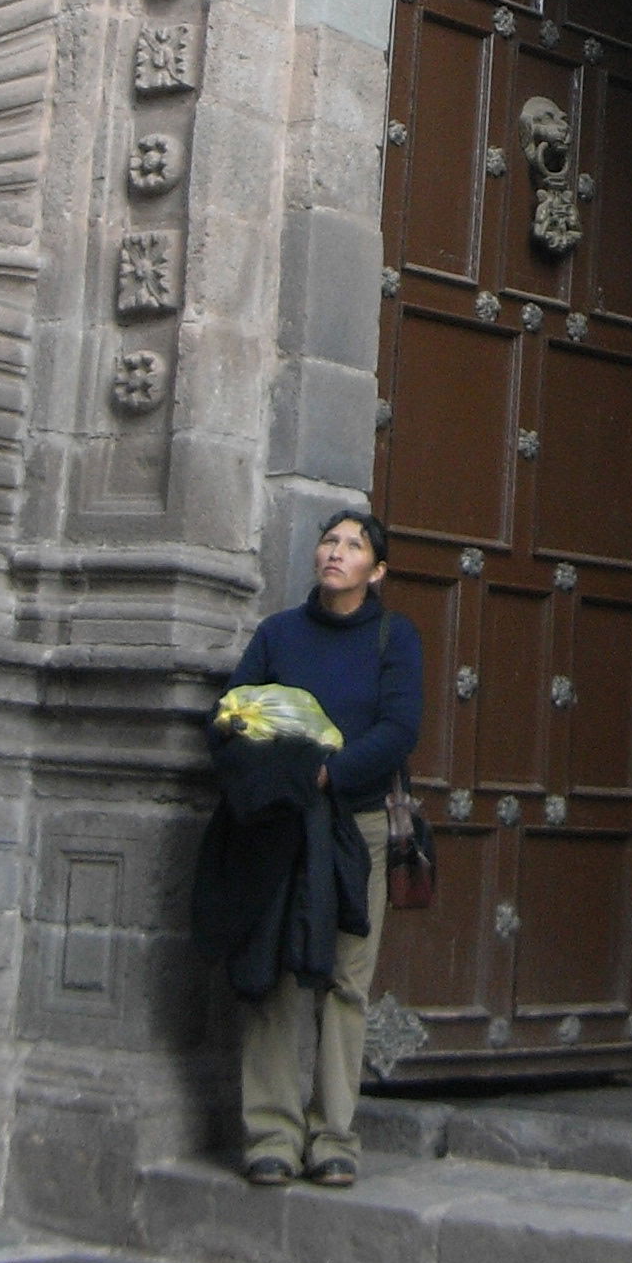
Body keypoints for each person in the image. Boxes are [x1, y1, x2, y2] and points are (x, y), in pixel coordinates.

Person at [219, 509, 422, 1188]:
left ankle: (333, 1135)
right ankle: (271, 1134)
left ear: (378, 569)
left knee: (344, 979)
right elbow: (234, 710)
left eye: (355, 545)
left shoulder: (395, 637)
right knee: (272, 974)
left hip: (354, 825)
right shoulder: (278, 634)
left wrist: (330, 773)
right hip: (280, 824)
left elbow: (399, 727)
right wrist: (283, 777)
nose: (337, 552)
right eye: (329, 541)